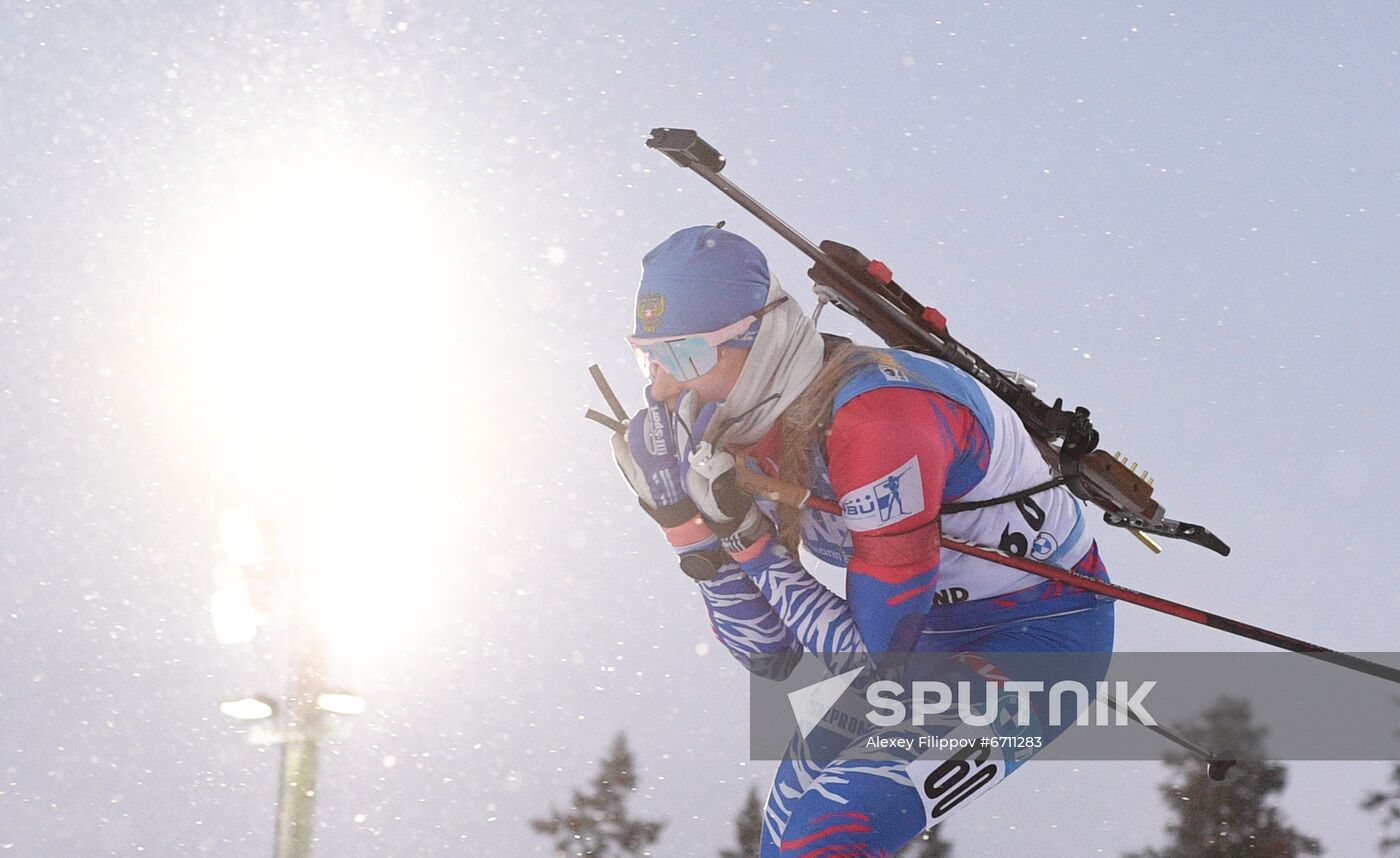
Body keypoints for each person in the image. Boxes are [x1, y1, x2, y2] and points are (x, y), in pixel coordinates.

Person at [610, 225, 1115, 856]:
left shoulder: (878, 417)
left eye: (685, 357)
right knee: (785, 841)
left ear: (759, 338)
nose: (660, 388)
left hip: (1038, 638)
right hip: (919, 644)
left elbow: (876, 659)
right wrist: (683, 526)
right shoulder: (743, 427)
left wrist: (743, 540)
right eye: (648, 358)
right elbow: (770, 655)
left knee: (826, 835)